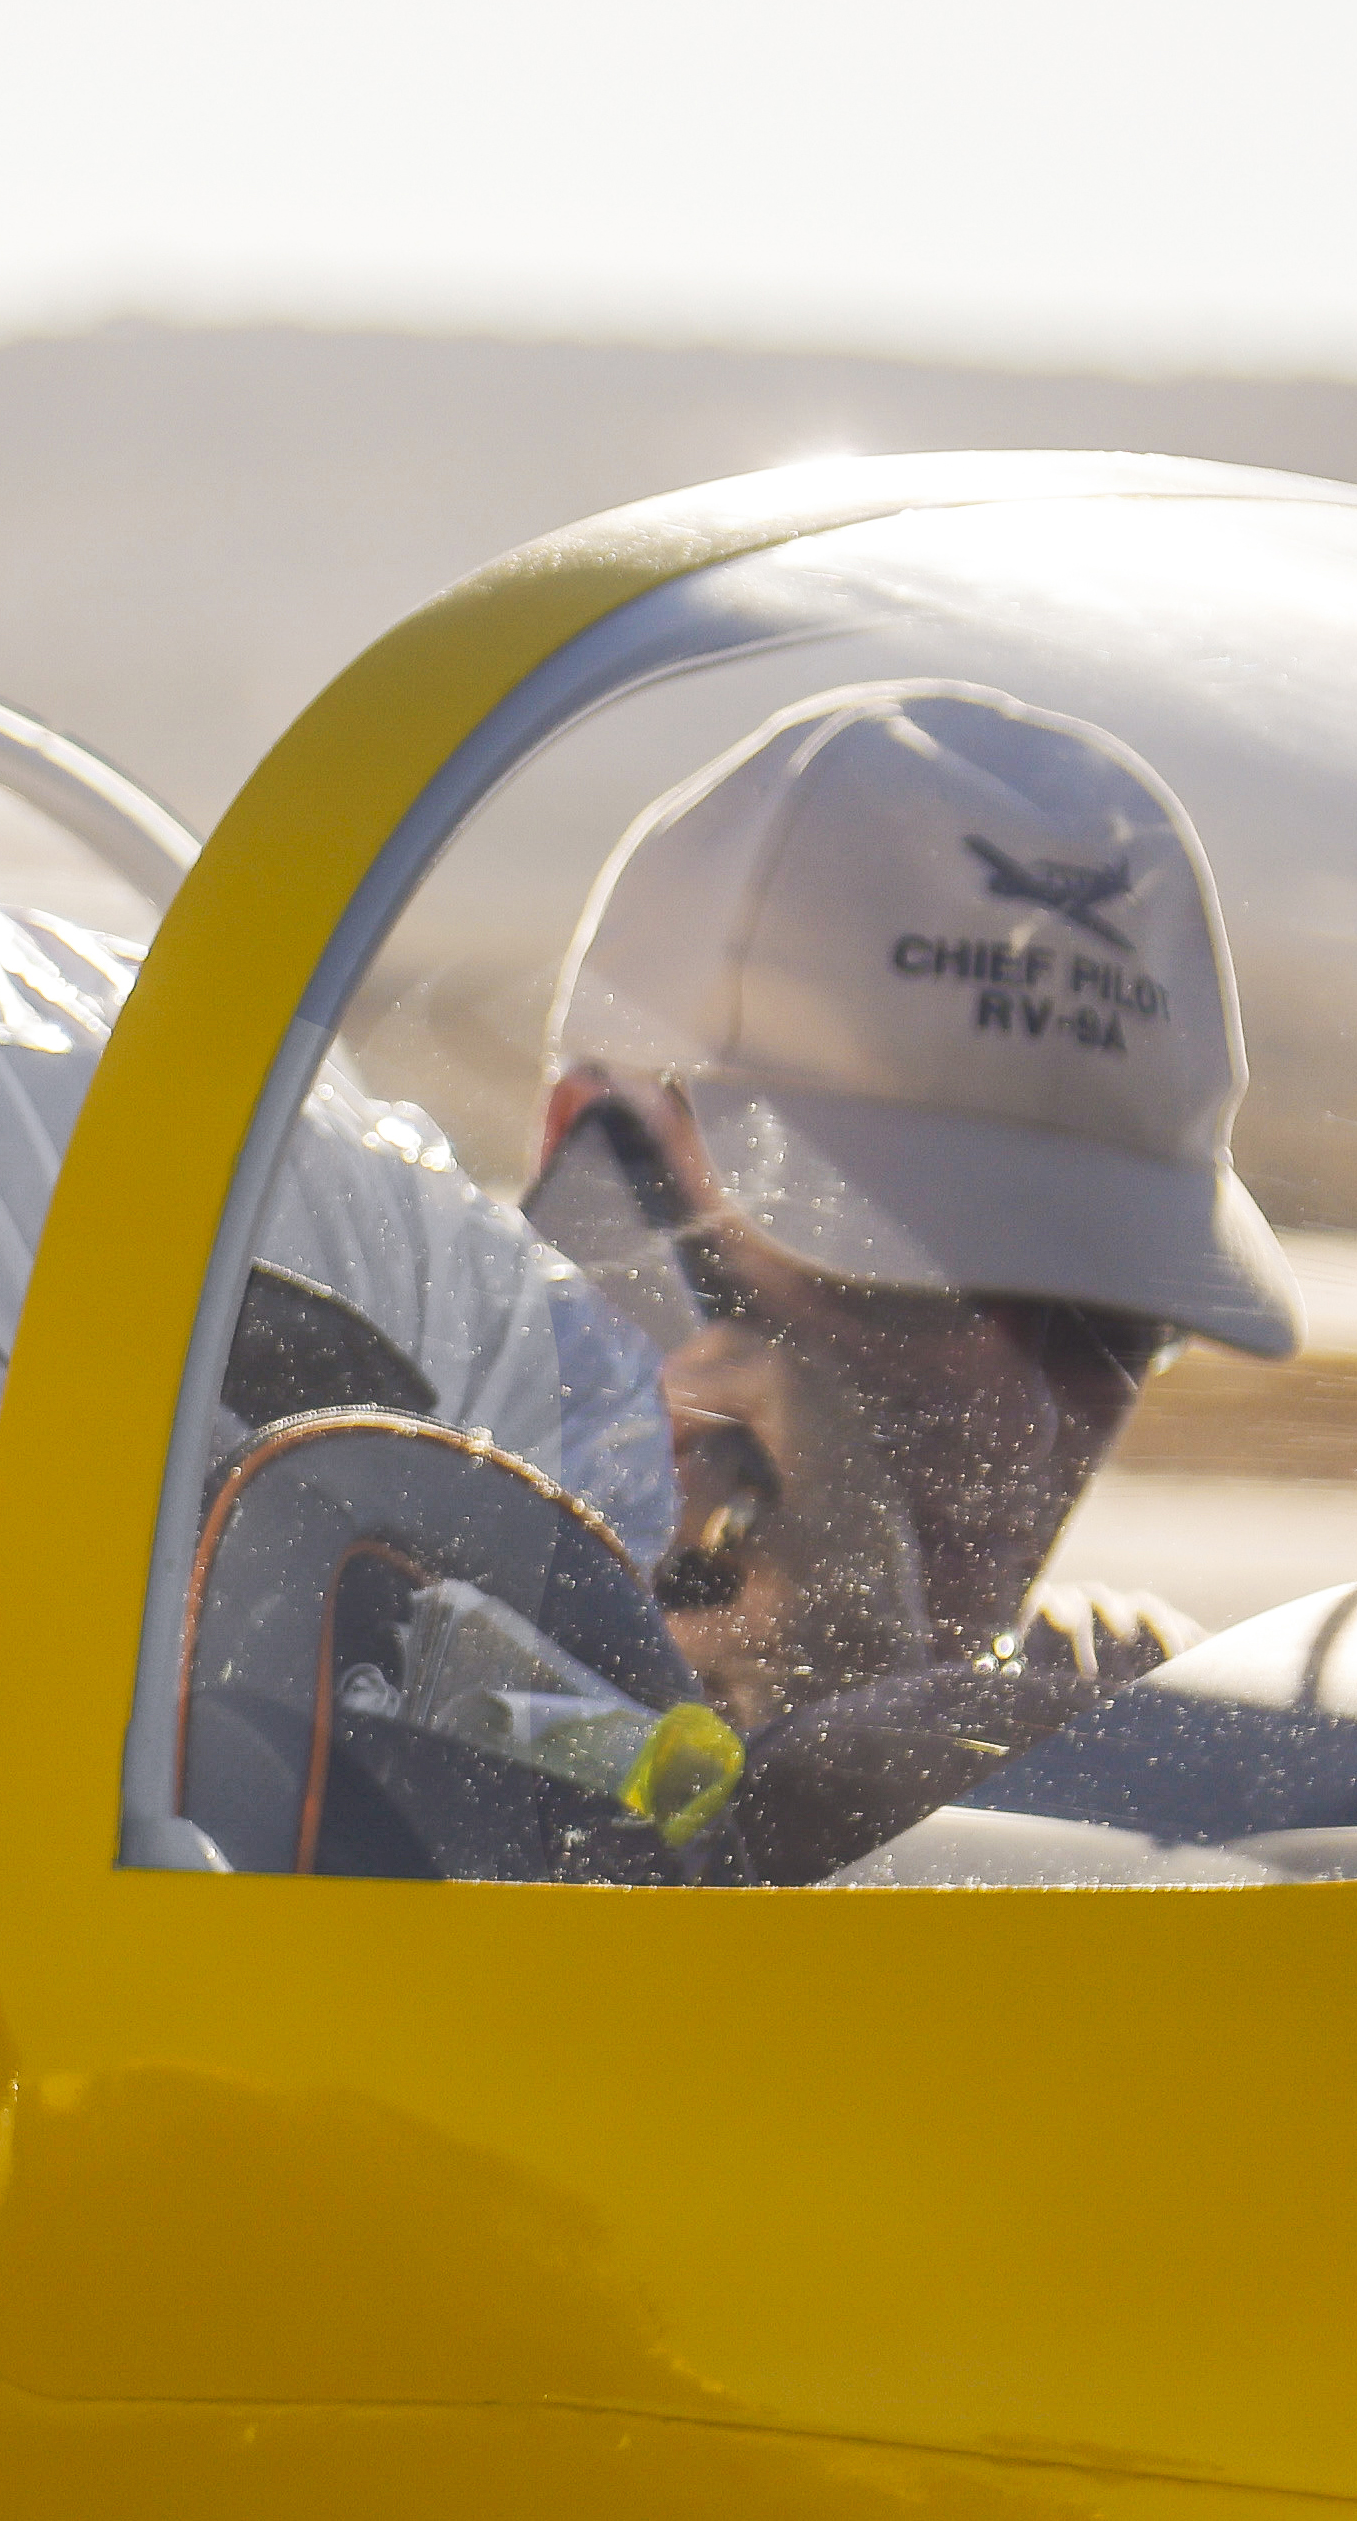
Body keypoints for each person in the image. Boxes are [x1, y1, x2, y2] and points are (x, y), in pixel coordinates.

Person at [525, 679, 1301, 1868]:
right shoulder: (299, 1659)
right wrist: (813, 1788)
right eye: (896, 1279)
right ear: (594, 1170)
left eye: (1105, 1324)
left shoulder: (1127, 1732)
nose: (1023, 1414)